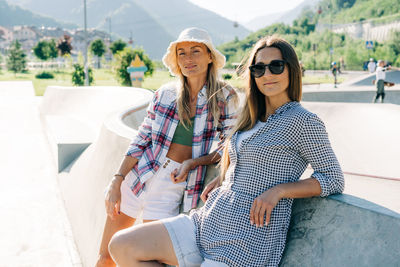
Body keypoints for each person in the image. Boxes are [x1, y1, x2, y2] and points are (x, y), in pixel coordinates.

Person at [108, 36, 344, 267]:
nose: (267, 75)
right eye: (259, 68)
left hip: (248, 239)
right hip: (210, 220)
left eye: (276, 66)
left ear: (291, 70)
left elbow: (333, 178)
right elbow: (243, 160)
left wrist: (279, 191)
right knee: (122, 245)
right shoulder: (250, 117)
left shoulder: (303, 121)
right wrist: (223, 179)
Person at [95, 27, 238, 267]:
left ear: (210, 56)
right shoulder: (164, 93)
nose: (188, 59)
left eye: (196, 51)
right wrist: (117, 180)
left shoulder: (224, 96)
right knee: (105, 258)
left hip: (173, 188)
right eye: (182, 53)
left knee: (147, 259)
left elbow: (230, 145)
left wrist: (194, 162)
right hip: (138, 178)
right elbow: (141, 139)